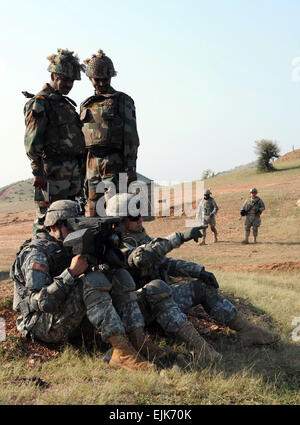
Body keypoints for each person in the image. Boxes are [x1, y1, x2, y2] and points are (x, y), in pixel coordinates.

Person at [106, 193, 280, 360]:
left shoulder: (140, 237)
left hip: (156, 302)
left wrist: (198, 271)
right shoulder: (115, 245)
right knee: (157, 288)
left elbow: (167, 263)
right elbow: (142, 258)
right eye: (135, 217)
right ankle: (202, 349)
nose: (140, 220)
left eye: (140, 215)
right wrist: (180, 237)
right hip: (134, 312)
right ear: (120, 222)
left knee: (201, 287)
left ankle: (248, 330)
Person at [10, 200, 173, 371]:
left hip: (63, 313)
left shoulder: (71, 244)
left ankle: (138, 341)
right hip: (39, 324)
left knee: (119, 275)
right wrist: (71, 273)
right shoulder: (37, 254)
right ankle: (121, 352)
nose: (76, 231)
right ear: (53, 227)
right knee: (93, 281)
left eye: (78, 224)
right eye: (70, 226)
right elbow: (42, 303)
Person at [23, 49, 86, 234]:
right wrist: (37, 171)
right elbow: (32, 142)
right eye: (64, 79)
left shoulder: (65, 105)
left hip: (71, 174)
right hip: (51, 173)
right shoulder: (40, 103)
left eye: (71, 81)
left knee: (71, 219)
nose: (68, 84)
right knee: (48, 218)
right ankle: (39, 255)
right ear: (53, 76)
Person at [80, 50, 140, 216]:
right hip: (91, 164)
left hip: (114, 162)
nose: (100, 83)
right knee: (92, 212)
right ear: (90, 79)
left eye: (104, 79)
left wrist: (130, 167)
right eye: (96, 80)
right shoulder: (86, 105)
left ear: (111, 77)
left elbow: (131, 136)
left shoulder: (122, 100)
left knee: (116, 210)